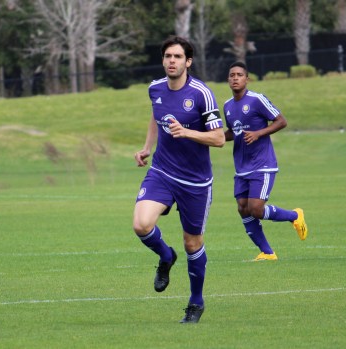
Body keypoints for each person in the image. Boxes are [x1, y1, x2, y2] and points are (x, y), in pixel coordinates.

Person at [132, 36, 225, 323]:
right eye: (168, 56)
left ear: (188, 61)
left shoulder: (201, 94)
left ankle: (196, 302)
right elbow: (155, 115)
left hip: (195, 181)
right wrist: (148, 146)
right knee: (141, 224)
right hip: (161, 171)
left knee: (192, 243)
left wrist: (187, 132)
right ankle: (165, 256)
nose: (172, 61)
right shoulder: (155, 88)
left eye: (177, 56)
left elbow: (219, 138)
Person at [223, 61, 308, 261]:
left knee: (256, 209)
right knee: (243, 208)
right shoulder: (227, 106)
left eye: (239, 75)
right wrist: (211, 138)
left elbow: (281, 121)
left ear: (247, 79)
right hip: (241, 167)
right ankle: (267, 253)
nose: (235, 78)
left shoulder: (257, 99)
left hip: (262, 164)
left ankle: (294, 216)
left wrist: (258, 133)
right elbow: (232, 132)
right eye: (232, 75)